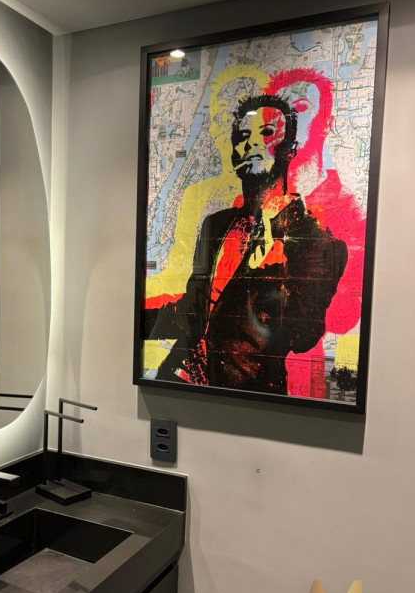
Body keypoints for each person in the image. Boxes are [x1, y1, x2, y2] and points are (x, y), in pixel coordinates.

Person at [149, 93, 348, 394]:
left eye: (266, 133)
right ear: (233, 154)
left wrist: (275, 276)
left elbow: (304, 335)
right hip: (178, 380)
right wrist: (136, 321)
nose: (252, 143)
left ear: (289, 150)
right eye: (243, 137)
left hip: (245, 393)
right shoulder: (216, 225)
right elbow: (194, 307)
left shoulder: (316, 241)